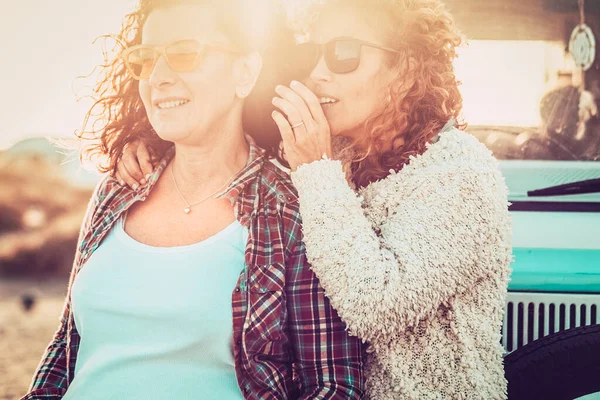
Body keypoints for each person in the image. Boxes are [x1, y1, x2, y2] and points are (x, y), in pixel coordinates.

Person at [117, 0, 513, 398]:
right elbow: (222, 131)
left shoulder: (461, 173)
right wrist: (150, 145)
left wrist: (317, 170)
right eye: (312, 54)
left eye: (343, 53)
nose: (317, 73)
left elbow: (376, 307)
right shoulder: (327, 151)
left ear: (407, 68)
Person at [21, 0, 365, 399]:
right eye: (145, 59)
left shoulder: (292, 208)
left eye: (184, 53)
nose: (158, 77)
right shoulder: (116, 189)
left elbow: (333, 383)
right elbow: (65, 349)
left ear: (245, 72)